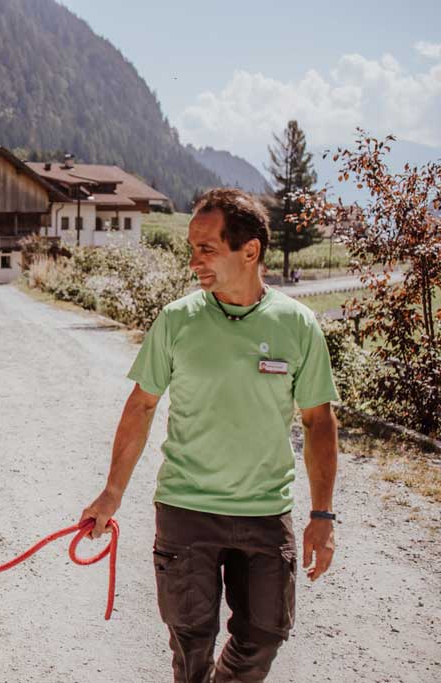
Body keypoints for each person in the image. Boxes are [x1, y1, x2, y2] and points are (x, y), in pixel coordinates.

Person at [79, 188, 339, 683]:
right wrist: (112, 493)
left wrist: (322, 515)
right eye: (191, 248)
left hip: (265, 512)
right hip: (185, 508)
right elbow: (142, 406)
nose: (193, 260)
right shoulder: (178, 320)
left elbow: (317, 421)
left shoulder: (298, 325)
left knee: (264, 636)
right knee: (191, 643)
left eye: (206, 248)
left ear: (250, 251)